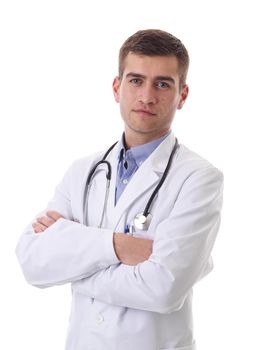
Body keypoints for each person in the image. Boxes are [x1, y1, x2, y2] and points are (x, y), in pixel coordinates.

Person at [16, 29, 224, 350]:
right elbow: (32, 261)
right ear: (117, 87)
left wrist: (75, 263)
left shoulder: (199, 178)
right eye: (136, 80)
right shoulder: (82, 171)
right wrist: (118, 246)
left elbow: (164, 288)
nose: (147, 96)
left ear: (182, 96)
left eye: (163, 84)